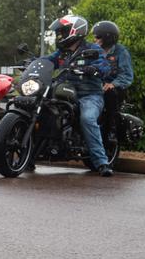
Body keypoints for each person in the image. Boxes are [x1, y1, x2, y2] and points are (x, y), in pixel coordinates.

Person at [43, 15, 113, 177]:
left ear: (75, 31)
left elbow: (105, 67)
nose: (59, 36)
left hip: (89, 95)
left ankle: (102, 162)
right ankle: (32, 154)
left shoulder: (93, 50)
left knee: (87, 118)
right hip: (64, 93)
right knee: (42, 109)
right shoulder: (61, 53)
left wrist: (93, 69)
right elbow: (46, 60)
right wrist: (32, 63)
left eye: (62, 32)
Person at [92, 21, 134, 143]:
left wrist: (113, 84)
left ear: (107, 37)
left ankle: (112, 129)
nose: (95, 39)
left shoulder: (121, 52)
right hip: (96, 86)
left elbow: (126, 75)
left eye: (98, 36)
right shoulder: (94, 51)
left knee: (110, 93)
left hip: (115, 88)